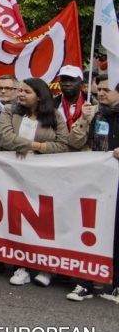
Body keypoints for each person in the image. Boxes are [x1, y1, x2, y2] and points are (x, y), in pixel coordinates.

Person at [0, 77, 71, 287]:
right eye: (19, 90)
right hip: (15, 175)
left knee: (43, 221)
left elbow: (63, 144)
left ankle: (45, 267)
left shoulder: (54, 116)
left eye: (26, 91)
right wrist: (35, 144)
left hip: (45, 176)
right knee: (19, 220)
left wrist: (37, 147)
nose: (20, 94)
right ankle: (21, 265)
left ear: (40, 96)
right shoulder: (10, 111)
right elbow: (5, 138)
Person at [65, 69, 119, 302]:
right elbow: (74, 142)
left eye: (107, 90)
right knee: (90, 231)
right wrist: (84, 120)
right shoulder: (94, 113)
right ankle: (84, 283)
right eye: (99, 90)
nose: (101, 94)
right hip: (96, 182)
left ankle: (115, 285)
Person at [54, 64, 89, 132]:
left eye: (72, 80)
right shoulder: (51, 105)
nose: (67, 84)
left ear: (81, 84)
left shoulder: (91, 104)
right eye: (64, 80)